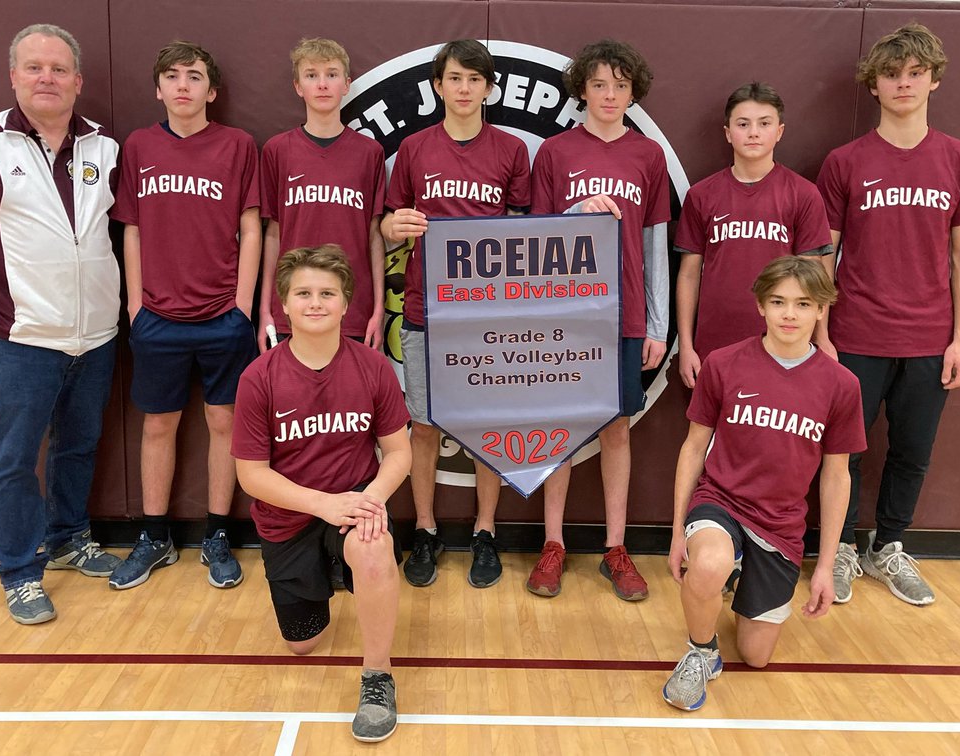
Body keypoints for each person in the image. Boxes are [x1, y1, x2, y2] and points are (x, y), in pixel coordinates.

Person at [0, 24, 122, 624]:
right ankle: (18, 569)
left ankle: (71, 537)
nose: (47, 78)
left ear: (78, 81)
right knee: (13, 456)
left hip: (98, 334)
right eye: (34, 67)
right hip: (22, 338)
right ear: (13, 76)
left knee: (79, 444)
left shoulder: (104, 146)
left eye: (59, 69)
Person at [816, 23, 960, 606]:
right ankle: (839, 547)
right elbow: (824, 253)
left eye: (915, 73)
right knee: (844, 450)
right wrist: (821, 330)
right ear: (875, 86)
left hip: (929, 336)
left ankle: (887, 545)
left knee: (913, 450)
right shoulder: (845, 162)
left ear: (933, 80)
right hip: (856, 332)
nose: (903, 84)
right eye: (892, 75)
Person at [663, 256, 866, 711]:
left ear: (821, 310)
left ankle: (739, 580)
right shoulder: (724, 364)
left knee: (756, 656)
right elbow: (695, 448)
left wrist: (827, 565)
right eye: (778, 302)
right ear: (761, 307)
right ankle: (702, 652)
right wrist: (678, 531)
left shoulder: (841, 385)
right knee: (708, 564)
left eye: (802, 303)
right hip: (721, 501)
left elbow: (837, 476)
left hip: (780, 524)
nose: (789, 314)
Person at [233, 245, 411, 743]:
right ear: (283, 305)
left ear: (346, 303)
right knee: (303, 644)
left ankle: (377, 678)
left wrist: (370, 499)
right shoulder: (259, 377)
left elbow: (399, 454)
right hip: (290, 515)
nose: (316, 303)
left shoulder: (373, 367)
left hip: (354, 502)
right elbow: (251, 474)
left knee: (374, 547)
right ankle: (327, 575)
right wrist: (322, 504)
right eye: (303, 293)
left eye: (327, 293)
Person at [108, 40, 261, 590]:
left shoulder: (238, 145)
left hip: (224, 313)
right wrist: (135, 303)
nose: (182, 85)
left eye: (194, 76)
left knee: (225, 423)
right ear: (158, 88)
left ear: (211, 91)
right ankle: (155, 536)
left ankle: (217, 532)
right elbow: (133, 227)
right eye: (171, 76)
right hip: (159, 316)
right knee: (158, 425)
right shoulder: (140, 145)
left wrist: (243, 305)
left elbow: (251, 226)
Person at [382, 39, 530, 590]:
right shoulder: (415, 150)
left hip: (486, 316)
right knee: (422, 426)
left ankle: (485, 531)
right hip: (424, 309)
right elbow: (389, 225)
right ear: (437, 86)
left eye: (474, 78)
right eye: (454, 78)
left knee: (485, 429)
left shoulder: (511, 151)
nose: (464, 88)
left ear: (488, 88)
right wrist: (390, 228)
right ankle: (424, 529)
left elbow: (524, 236)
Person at [526, 39, 670, 600]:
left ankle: (615, 548)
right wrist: (573, 212)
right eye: (600, 85)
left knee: (615, 430)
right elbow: (532, 239)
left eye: (621, 85)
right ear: (582, 90)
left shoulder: (648, 156)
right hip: (565, 315)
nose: (610, 96)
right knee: (558, 432)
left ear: (634, 93)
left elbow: (657, 243)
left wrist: (656, 323)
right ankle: (553, 544)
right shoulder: (556, 152)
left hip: (624, 314)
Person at [675, 82, 833, 389]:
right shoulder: (702, 195)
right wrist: (686, 345)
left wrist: (822, 337)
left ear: (780, 131)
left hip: (785, 342)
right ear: (727, 132)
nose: (753, 133)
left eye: (764, 124)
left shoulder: (803, 194)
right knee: (716, 434)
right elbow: (689, 275)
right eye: (743, 124)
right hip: (716, 343)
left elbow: (815, 278)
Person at [257, 38, 386, 352]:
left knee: (349, 402)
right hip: (292, 307)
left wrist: (378, 310)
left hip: (352, 308)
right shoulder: (277, 150)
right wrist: (265, 310)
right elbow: (273, 233)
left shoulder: (369, 152)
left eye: (331, 74)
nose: (322, 84)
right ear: (298, 86)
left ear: (347, 84)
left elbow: (373, 235)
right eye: (311, 75)